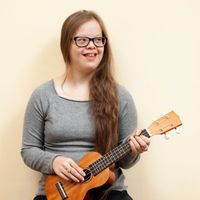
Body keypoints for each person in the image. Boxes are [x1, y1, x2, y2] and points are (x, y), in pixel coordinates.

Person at [21, 10, 150, 200]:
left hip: (109, 193)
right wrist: (53, 161)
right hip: (58, 193)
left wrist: (134, 150)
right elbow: (28, 150)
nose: (92, 46)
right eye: (82, 40)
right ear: (67, 44)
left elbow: (125, 161)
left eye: (98, 40)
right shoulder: (43, 95)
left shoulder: (121, 96)